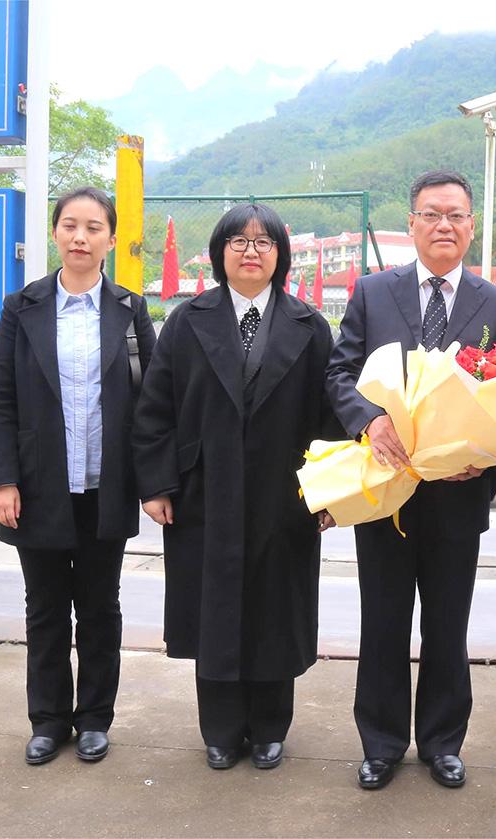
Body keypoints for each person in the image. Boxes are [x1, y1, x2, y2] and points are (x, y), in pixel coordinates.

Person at [327, 169, 496, 790]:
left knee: (447, 625)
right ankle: (381, 743)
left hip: (457, 496)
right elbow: (339, 373)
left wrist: (483, 468)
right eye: (432, 214)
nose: (444, 225)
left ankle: (442, 743)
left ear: (471, 226)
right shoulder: (373, 292)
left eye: (456, 215)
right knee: (382, 622)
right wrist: (370, 418)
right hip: (386, 491)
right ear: (411, 224)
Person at [132, 203, 338, 772]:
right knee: (214, 609)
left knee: (276, 608)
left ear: (280, 255)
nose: (251, 251)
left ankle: (271, 727)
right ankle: (220, 730)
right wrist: (157, 485)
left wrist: (330, 494)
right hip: (205, 489)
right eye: (239, 241)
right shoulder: (186, 320)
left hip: (285, 493)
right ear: (220, 252)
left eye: (263, 241)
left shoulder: (309, 325)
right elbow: (155, 408)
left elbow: (330, 417)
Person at [0, 187, 156, 765]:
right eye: (70, 225)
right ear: (56, 233)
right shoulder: (22, 307)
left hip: (106, 487)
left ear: (111, 239)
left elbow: (153, 402)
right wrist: (1, 479)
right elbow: (1, 398)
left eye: (93, 227)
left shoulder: (130, 310)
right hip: (38, 488)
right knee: (45, 608)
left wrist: (155, 484)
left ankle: (95, 719)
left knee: (101, 609)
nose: (80, 237)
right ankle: (48, 719)